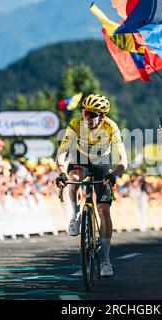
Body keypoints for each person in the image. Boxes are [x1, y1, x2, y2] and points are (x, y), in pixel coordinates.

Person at [55, 93, 128, 277]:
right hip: (80, 159)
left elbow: (122, 159)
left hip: (102, 162)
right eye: (86, 112)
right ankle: (76, 214)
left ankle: (105, 259)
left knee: (103, 210)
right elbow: (62, 152)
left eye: (93, 114)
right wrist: (62, 172)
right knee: (74, 177)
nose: (87, 117)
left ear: (102, 116)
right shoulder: (76, 124)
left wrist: (114, 174)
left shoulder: (111, 127)